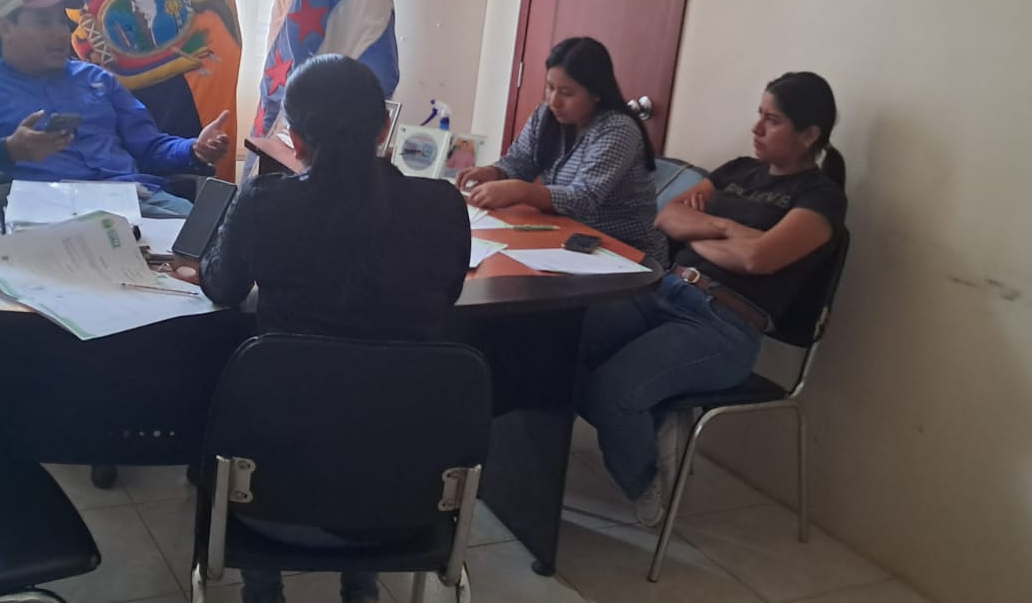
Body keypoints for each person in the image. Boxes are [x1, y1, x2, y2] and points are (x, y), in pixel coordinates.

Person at [199, 54, 470, 603]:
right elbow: (446, 295)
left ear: (296, 139)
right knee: (375, 398)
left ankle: (264, 589)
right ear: (384, 128)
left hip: (271, 508)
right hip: (406, 509)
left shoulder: (264, 203)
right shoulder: (443, 205)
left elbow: (222, 287)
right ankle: (361, 585)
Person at [578, 72, 848, 526]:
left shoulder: (821, 199)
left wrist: (706, 232)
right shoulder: (737, 170)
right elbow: (668, 217)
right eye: (759, 115)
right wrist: (727, 229)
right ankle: (653, 418)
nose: (757, 128)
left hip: (721, 325)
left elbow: (758, 259)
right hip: (661, 291)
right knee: (561, 341)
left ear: (808, 136)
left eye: (773, 120)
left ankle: (646, 483)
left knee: (613, 393)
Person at [0, 0, 232, 218]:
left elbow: (151, 148)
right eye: (44, 22)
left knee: (216, 238)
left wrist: (194, 149)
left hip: (137, 201)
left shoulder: (97, 79)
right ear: (5, 27)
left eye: (63, 22)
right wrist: (5, 150)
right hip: (49, 216)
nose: (61, 33)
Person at [455, 37, 667, 264]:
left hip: (624, 254)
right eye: (550, 88)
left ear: (596, 93)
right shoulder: (545, 116)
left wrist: (521, 191)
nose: (554, 101)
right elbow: (520, 161)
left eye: (566, 93)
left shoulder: (618, 129)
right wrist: (495, 172)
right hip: (565, 239)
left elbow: (583, 199)